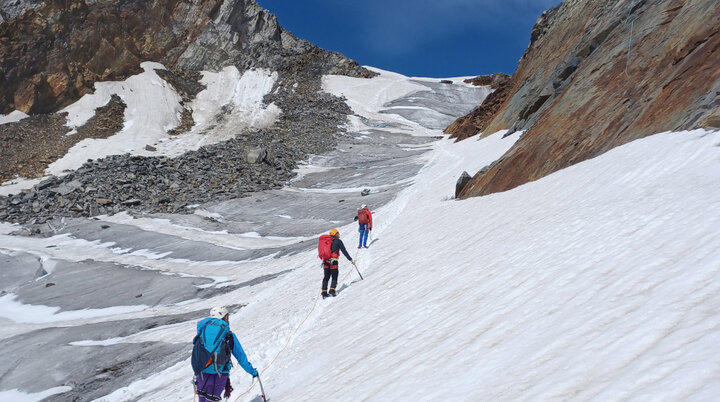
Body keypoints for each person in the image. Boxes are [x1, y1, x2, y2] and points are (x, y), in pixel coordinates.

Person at [194, 306, 258, 402]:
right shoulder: (229, 335)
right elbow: (241, 357)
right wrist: (252, 372)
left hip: (202, 372)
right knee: (211, 400)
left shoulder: (202, 332)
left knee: (202, 400)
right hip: (220, 373)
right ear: (224, 317)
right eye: (227, 317)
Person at [322, 229, 354, 298]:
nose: (339, 235)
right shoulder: (338, 241)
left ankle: (324, 292)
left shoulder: (326, 241)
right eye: (338, 233)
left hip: (326, 261)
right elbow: (344, 251)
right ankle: (332, 290)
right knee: (334, 276)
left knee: (326, 277)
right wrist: (350, 259)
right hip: (334, 261)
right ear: (335, 234)